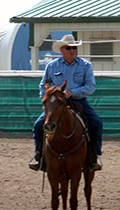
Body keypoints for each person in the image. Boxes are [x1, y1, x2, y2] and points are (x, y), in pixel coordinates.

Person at [29, 34, 103, 171]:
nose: (72, 50)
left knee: (96, 122)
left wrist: (73, 92)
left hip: (79, 101)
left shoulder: (86, 65)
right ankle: (39, 156)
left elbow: (91, 86)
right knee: (39, 124)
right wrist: (46, 101)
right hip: (56, 103)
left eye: (74, 48)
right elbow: (43, 85)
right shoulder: (52, 66)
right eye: (68, 48)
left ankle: (94, 156)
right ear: (62, 50)